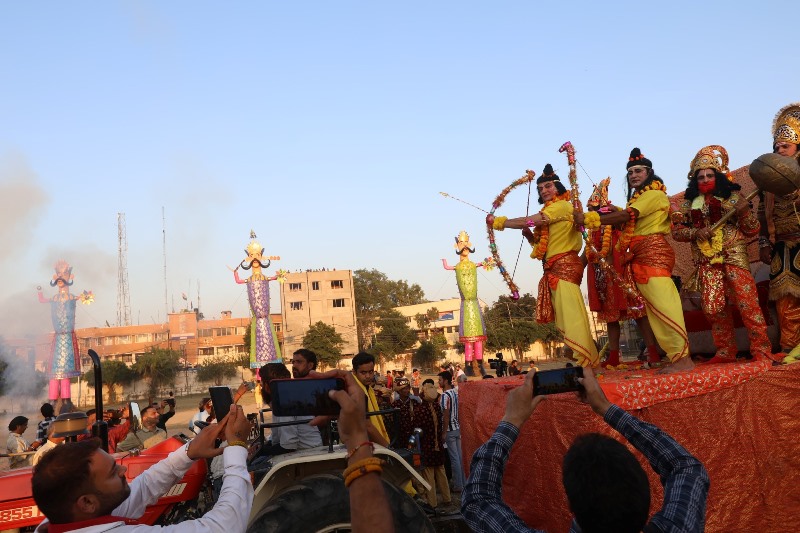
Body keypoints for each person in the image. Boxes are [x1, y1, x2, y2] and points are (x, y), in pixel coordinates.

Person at [461, 367, 709, 532]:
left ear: (570, 505)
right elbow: (686, 467)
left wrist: (511, 420)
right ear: (646, 495)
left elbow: (478, 500)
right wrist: (604, 407)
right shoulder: (677, 527)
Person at [32, 404, 253, 533]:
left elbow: (144, 486)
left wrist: (190, 451)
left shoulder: (63, 521)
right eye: (112, 473)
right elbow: (224, 526)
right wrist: (236, 446)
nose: (122, 472)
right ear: (87, 502)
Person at [575, 148, 692, 374]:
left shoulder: (653, 195)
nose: (633, 175)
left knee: (664, 305)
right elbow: (625, 218)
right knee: (653, 309)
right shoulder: (639, 197)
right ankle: (675, 356)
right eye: (630, 172)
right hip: (637, 255)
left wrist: (592, 218)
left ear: (650, 172)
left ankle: (683, 358)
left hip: (652, 252)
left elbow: (627, 217)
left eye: (638, 171)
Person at [489, 164, 600, 368]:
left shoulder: (562, 206)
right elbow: (547, 245)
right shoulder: (552, 209)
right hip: (555, 266)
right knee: (567, 317)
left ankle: (587, 362)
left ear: (558, 187)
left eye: (548, 186)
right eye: (541, 189)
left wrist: (500, 222)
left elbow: (532, 220)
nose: (544, 191)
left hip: (564, 267)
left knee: (572, 316)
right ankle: (585, 360)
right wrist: (532, 238)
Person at [673, 145, 774, 363]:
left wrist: (745, 212)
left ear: (718, 177)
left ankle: (761, 350)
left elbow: (753, 229)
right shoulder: (687, 204)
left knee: (748, 304)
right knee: (713, 308)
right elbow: (677, 232)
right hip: (707, 261)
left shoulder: (735, 198)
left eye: (710, 175)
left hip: (734, 255)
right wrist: (696, 231)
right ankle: (725, 351)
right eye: (701, 176)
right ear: (694, 180)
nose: (706, 179)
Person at [584, 178, 659, 366]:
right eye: (590, 210)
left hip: (622, 272)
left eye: (595, 210)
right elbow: (589, 252)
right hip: (603, 276)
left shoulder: (615, 221)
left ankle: (653, 352)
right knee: (611, 318)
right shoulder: (592, 232)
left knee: (638, 314)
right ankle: (614, 357)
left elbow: (625, 222)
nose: (592, 214)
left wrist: (613, 213)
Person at [758, 102, 800, 359]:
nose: (779, 149)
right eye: (776, 147)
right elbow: (763, 214)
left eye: (785, 145)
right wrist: (764, 241)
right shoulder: (768, 179)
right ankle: (788, 347)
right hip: (782, 245)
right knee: (784, 299)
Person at [37, 260, 93, 413]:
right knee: (54, 373)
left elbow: (85, 297)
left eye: (64, 274)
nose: (60, 277)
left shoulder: (71, 297)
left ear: (70, 276)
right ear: (55, 276)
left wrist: (86, 295)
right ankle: (53, 400)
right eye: (59, 274)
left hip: (67, 337)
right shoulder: (54, 298)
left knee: (66, 373)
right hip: (58, 337)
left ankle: (67, 400)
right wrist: (39, 292)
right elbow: (42, 300)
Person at [442, 231, 493, 376]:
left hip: (474, 304)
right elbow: (447, 267)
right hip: (466, 302)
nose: (464, 247)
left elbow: (484, 263)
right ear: (457, 246)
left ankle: (480, 364)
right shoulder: (458, 267)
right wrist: (445, 263)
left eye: (466, 244)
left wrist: (488, 261)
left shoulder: (472, 265)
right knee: (468, 342)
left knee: (478, 339)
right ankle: (469, 365)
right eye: (461, 244)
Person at [230, 231, 282, 369]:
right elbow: (238, 280)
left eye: (257, 256)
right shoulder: (250, 279)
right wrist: (235, 272)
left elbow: (274, 278)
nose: (255, 260)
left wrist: (278, 276)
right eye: (252, 256)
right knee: (258, 341)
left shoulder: (264, 278)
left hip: (265, 316)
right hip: (257, 318)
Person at [415, 382, 456, 513]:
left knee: (429, 476)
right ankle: (447, 499)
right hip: (438, 445)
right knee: (441, 473)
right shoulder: (438, 407)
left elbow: (417, 430)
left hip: (427, 447)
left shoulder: (420, 410)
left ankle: (433, 503)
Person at [351, 352, 390, 447]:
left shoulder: (368, 389)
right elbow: (367, 426)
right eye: (363, 373)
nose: (368, 376)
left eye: (371, 372)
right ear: (354, 372)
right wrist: (388, 447)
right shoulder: (357, 393)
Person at [438, 371, 464, 494]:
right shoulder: (455, 393)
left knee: (454, 459)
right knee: (459, 457)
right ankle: (463, 482)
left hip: (449, 429)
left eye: (440, 380)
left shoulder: (445, 396)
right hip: (457, 428)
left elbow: (446, 415)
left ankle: (458, 485)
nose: (439, 382)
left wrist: (443, 432)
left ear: (446, 381)